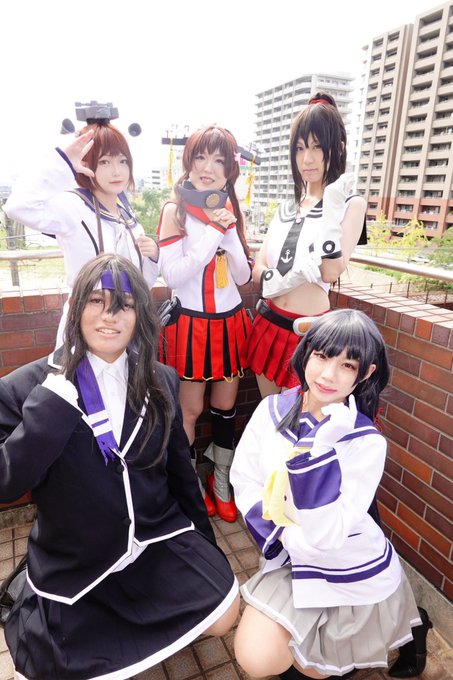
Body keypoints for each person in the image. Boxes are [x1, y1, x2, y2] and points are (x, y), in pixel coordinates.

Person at [0, 253, 240, 680]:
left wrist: (206, 548)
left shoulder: (161, 379)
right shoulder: (28, 387)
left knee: (224, 612)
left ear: (139, 316)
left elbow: (181, 474)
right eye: (96, 300)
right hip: (78, 560)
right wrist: (47, 414)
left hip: (153, 538)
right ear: (74, 308)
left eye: (124, 305)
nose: (109, 316)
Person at [230, 309, 431, 679]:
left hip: (346, 561)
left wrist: (320, 450)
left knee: (316, 669)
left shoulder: (366, 441)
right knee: (260, 658)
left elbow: (326, 536)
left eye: (347, 365)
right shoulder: (270, 410)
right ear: (306, 352)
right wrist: (281, 537)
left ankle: (414, 625)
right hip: (289, 554)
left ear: (365, 373)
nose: (327, 375)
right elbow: (244, 479)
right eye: (322, 356)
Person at [243, 92, 367, 398]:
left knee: (303, 418)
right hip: (269, 321)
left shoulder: (351, 204)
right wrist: (282, 280)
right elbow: (258, 266)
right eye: (299, 148)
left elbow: (331, 271)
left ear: (337, 149)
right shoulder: (287, 206)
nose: (307, 159)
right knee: (270, 412)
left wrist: (330, 211)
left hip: (310, 332)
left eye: (316, 147)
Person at [158, 125, 252, 522]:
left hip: (230, 322)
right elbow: (174, 276)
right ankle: (190, 484)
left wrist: (228, 235)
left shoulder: (231, 209)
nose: (208, 167)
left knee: (226, 407)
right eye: (200, 157)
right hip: (191, 325)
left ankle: (221, 479)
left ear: (231, 169)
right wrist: (214, 231)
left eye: (218, 160)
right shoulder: (174, 211)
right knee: (190, 410)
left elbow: (244, 277)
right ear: (188, 162)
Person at [4, 122, 159, 345]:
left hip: (123, 328)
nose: (117, 171)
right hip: (85, 328)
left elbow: (142, 285)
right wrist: (63, 164)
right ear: (86, 164)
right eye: (104, 162)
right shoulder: (74, 206)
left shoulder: (129, 218)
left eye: (122, 161)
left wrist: (153, 257)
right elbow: (17, 207)